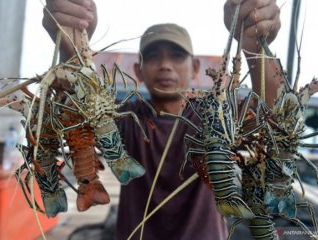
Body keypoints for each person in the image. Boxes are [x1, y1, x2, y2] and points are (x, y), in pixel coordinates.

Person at [43, 0, 281, 239]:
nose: (165, 66)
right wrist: (72, 45)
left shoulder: (213, 116)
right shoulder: (125, 118)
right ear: (138, 71)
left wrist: (255, 48)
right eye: (154, 57)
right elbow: (77, 114)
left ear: (195, 67)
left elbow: (271, 116)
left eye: (177, 56)